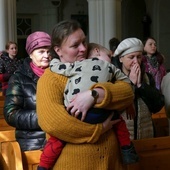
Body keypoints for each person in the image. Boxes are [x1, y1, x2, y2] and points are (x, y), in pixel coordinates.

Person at [36, 19, 135, 170]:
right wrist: (100, 129)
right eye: (75, 45)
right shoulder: (50, 79)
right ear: (58, 50)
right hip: (75, 164)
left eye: (84, 42)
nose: (83, 48)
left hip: (111, 162)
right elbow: (55, 124)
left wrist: (94, 94)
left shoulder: (97, 66)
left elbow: (127, 92)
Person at [3, 31, 51, 151]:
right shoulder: (18, 78)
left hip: (60, 140)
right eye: (41, 52)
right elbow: (11, 114)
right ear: (30, 54)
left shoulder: (59, 74)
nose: (46, 55)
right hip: (33, 143)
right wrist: (47, 118)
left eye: (49, 51)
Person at [112, 37, 165, 140]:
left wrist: (141, 85)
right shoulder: (113, 79)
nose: (136, 61)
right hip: (122, 139)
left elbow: (157, 105)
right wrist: (131, 83)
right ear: (121, 59)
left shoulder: (148, 78)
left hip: (146, 135)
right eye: (131, 57)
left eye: (139, 57)